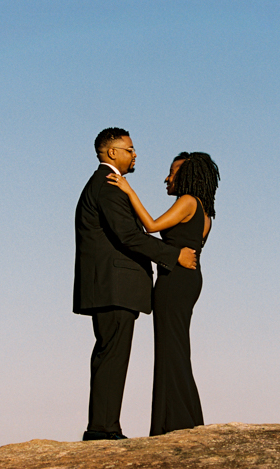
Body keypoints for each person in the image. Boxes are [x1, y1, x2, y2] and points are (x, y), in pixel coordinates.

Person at [73, 128, 197, 441]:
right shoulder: (108, 186)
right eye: (129, 149)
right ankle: (102, 430)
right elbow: (128, 236)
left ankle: (105, 427)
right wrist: (173, 255)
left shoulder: (107, 185)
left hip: (111, 286)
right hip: (115, 286)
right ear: (111, 152)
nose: (135, 154)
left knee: (110, 354)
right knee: (112, 355)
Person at [107, 151, 220, 436]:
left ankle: (174, 424)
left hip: (174, 281)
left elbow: (151, 226)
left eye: (172, 172)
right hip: (190, 280)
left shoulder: (188, 201)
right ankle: (183, 419)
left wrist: (129, 191)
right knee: (177, 350)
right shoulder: (206, 213)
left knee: (170, 350)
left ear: (188, 176)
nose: (167, 178)